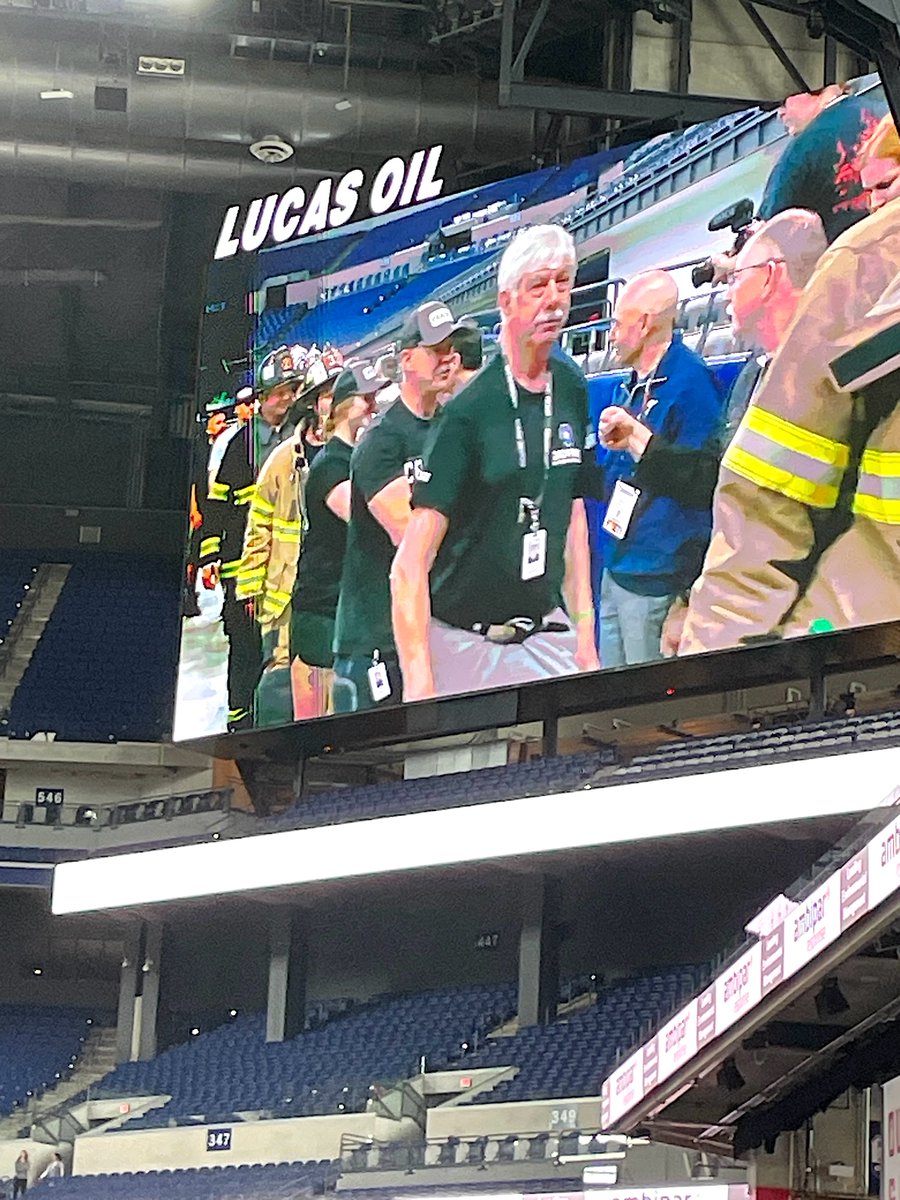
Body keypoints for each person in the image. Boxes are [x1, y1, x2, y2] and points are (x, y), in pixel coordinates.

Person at [679, 151, 900, 653]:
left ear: (772, 275)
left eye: (739, 275)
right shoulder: (869, 267)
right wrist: (709, 681)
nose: (874, 204)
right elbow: (756, 511)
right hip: (860, 668)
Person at [391, 224, 600, 702]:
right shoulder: (469, 411)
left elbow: (572, 518)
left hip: (547, 635)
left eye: (562, 282)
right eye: (537, 286)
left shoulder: (571, 388)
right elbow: (409, 564)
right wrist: (419, 681)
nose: (553, 299)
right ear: (506, 302)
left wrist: (585, 636)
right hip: (468, 642)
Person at [332, 301, 463, 711]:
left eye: (452, 350)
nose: (449, 359)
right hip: (377, 639)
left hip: (435, 630)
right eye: (436, 350)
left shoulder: (455, 428)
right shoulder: (381, 442)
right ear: (407, 359)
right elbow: (412, 539)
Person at [594, 269, 721, 668]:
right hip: (618, 568)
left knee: (639, 708)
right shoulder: (628, 384)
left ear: (644, 324)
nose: (611, 334)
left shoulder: (691, 383)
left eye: (617, 323)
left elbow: (704, 482)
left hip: (658, 579)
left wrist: (685, 596)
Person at [200, 344, 306, 730]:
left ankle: (279, 712)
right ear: (264, 396)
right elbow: (218, 501)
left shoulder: (299, 437)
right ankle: (239, 716)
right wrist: (211, 555)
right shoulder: (240, 443)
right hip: (239, 563)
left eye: (294, 390)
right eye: (283, 391)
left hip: (287, 565)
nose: (290, 398)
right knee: (244, 646)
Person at [291, 360, 391, 716]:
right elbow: (370, 521)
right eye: (367, 399)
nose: (375, 406)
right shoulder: (331, 465)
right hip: (323, 611)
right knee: (326, 715)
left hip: (348, 608)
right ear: (345, 405)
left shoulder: (355, 460)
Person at [757, 80, 887, 242]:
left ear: (814, 89)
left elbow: (766, 233)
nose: (779, 114)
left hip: (858, 256)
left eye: (784, 102)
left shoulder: (800, 150)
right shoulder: (885, 109)